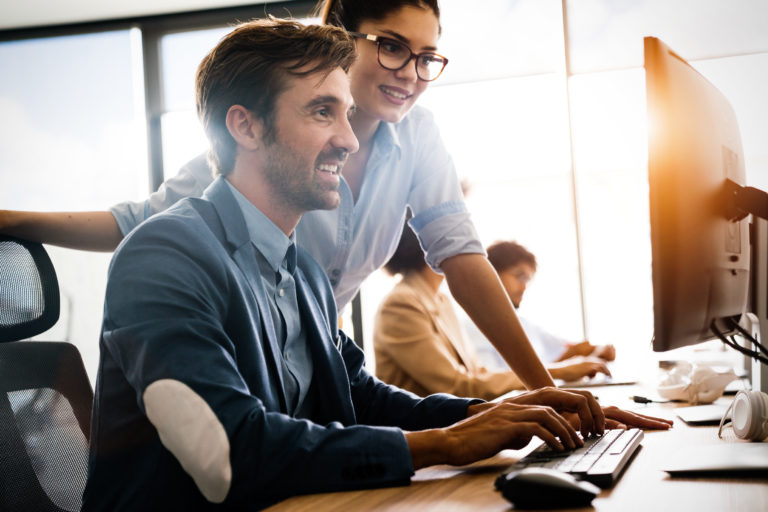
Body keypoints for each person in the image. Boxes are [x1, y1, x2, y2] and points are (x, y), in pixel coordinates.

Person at [82, 19, 672, 511]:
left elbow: (359, 397)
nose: (349, 139)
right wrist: (443, 443)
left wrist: (501, 412)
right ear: (246, 125)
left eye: (345, 114)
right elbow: (227, 452)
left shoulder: (303, 271)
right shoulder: (165, 256)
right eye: (321, 113)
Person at [0, 0, 558, 390]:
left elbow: (461, 256)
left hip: (318, 361)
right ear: (341, 37)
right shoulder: (264, 142)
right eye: (391, 46)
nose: (410, 73)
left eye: (427, 56)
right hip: (243, 372)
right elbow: (136, 223)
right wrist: (11, 220)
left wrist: (545, 391)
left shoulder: (418, 137)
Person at [373, 223, 613, 400]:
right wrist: (559, 371)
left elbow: (478, 373)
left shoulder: (441, 300)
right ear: (424, 239)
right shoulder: (401, 304)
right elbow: (457, 386)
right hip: (426, 445)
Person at [481, 240, 616, 369]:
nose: (524, 287)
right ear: (491, 273)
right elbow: (489, 384)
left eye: (527, 280)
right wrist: (564, 367)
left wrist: (593, 351)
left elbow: (568, 348)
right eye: (519, 276)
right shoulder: (475, 325)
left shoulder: (526, 326)